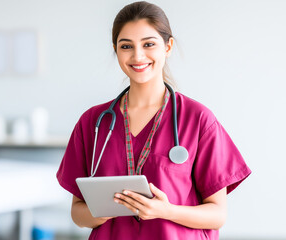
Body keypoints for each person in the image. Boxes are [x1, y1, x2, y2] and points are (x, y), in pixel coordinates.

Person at [56, 1, 251, 239]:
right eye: (126, 46)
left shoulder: (197, 119)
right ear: (115, 50)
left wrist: (166, 211)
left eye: (149, 44)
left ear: (167, 47)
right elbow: (78, 213)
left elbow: (217, 214)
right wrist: (103, 211)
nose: (138, 56)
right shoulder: (93, 123)